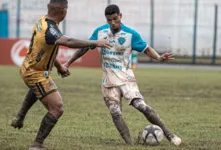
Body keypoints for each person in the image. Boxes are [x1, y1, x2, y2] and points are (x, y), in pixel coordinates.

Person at [63, 4, 182, 146]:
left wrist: (159, 57)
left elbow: (146, 49)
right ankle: (130, 144)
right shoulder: (100, 33)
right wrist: (68, 63)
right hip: (109, 81)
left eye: (115, 18)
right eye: (109, 20)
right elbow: (84, 48)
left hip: (126, 79)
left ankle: (170, 135)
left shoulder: (130, 34)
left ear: (120, 16)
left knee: (141, 106)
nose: (113, 23)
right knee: (115, 112)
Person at [10, 0, 111, 150]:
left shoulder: (43, 21)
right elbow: (68, 41)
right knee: (57, 108)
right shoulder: (50, 30)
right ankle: (37, 145)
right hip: (35, 73)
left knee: (38, 89)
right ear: (63, 12)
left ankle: (20, 117)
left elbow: (47, 48)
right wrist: (95, 42)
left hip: (30, 67)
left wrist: (59, 66)